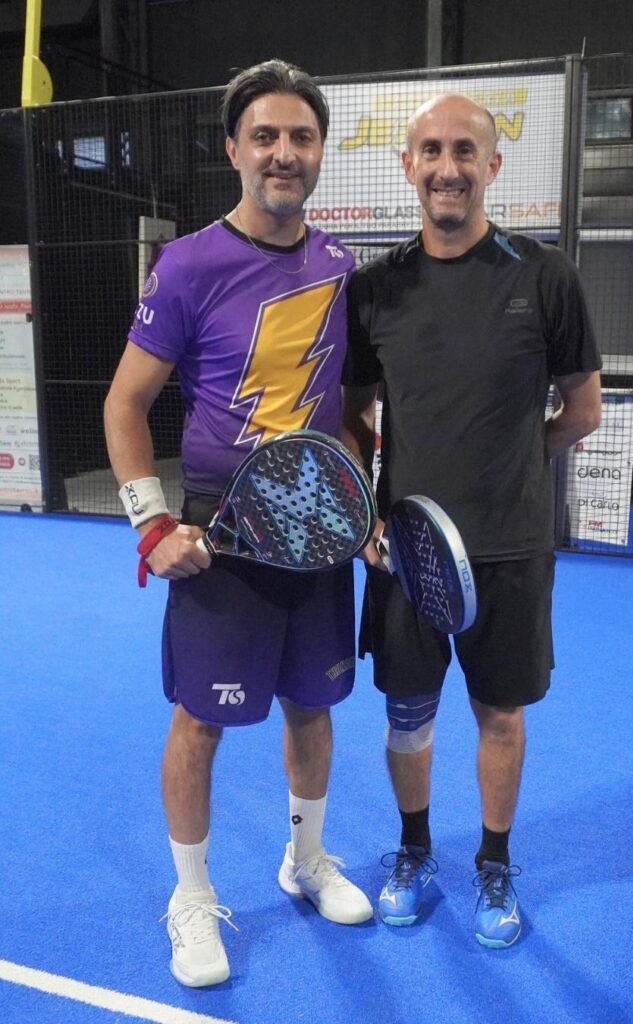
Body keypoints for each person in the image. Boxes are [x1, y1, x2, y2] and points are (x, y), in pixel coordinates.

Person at [104, 59, 372, 989]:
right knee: (199, 722)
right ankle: (190, 897)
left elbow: (348, 409)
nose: (282, 152)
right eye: (265, 136)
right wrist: (150, 526)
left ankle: (305, 860)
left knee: (314, 705)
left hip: (317, 536)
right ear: (233, 150)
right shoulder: (187, 265)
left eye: (300, 136)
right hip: (219, 540)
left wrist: (359, 503)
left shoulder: (340, 268)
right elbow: (125, 405)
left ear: (320, 152)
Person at [341, 93, 603, 949]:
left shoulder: (545, 277)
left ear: (492, 166)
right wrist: (370, 514)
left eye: (464, 151)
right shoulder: (373, 288)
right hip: (404, 552)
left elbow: (582, 411)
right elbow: (353, 414)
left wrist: (514, 465)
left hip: (511, 550)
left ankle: (493, 862)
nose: (446, 167)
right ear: (407, 165)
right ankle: (414, 851)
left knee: (500, 716)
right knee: (407, 713)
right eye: (430, 150)